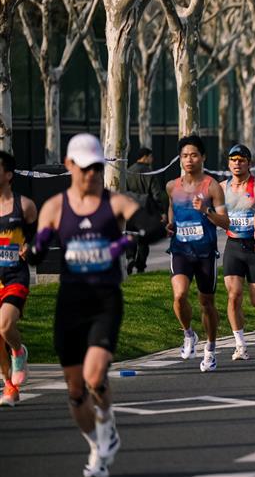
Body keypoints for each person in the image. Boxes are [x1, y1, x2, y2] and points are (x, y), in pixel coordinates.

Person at [26, 134, 163, 476]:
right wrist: (35, 247)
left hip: (104, 301)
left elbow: (152, 227)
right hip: (71, 303)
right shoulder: (55, 207)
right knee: (75, 390)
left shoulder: (114, 203)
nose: (91, 175)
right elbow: (37, 252)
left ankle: (105, 421)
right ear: (69, 165)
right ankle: (98, 446)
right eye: (85, 168)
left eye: (97, 168)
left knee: (94, 376)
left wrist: (128, 240)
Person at [166, 135, 229, 372]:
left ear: (203, 157)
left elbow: (226, 222)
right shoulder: (172, 186)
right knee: (179, 295)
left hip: (205, 253)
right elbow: (172, 210)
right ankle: (188, 334)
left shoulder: (212, 186)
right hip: (180, 250)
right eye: (184, 156)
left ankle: (210, 348)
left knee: (207, 303)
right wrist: (170, 225)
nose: (189, 160)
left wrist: (206, 211)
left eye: (193, 155)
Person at [221, 144, 255, 360]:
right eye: (233, 160)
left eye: (241, 160)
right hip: (233, 245)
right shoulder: (222, 187)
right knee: (234, 295)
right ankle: (240, 344)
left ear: (249, 163)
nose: (237, 163)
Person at [0, 151, 37, 407]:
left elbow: (38, 239)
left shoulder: (25, 206)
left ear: (8, 175)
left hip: (15, 276)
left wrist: (29, 248)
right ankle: (9, 386)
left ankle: (18, 351)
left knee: (4, 326)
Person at [123, 147, 167, 273]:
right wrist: (161, 211)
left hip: (130, 209)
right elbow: (156, 194)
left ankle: (130, 257)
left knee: (131, 234)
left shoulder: (128, 171)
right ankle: (140, 265)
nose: (152, 159)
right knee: (144, 239)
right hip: (146, 209)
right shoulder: (149, 172)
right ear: (145, 157)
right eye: (151, 157)